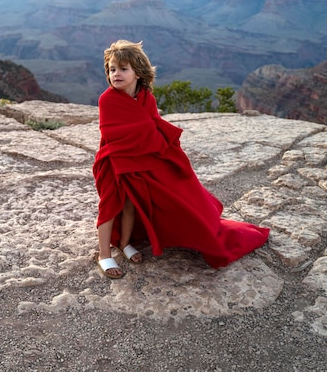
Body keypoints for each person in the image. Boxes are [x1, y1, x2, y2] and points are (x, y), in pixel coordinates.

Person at [92, 40, 269, 279]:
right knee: (111, 206)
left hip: (141, 159)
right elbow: (113, 133)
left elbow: (153, 127)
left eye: (123, 69)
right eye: (112, 69)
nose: (116, 74)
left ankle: (124, 244)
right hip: (115, 160)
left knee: (132, 204)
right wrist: (148, 134)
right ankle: (104, 254)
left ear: (138, 73)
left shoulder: (146, 98)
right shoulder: (107, 100)